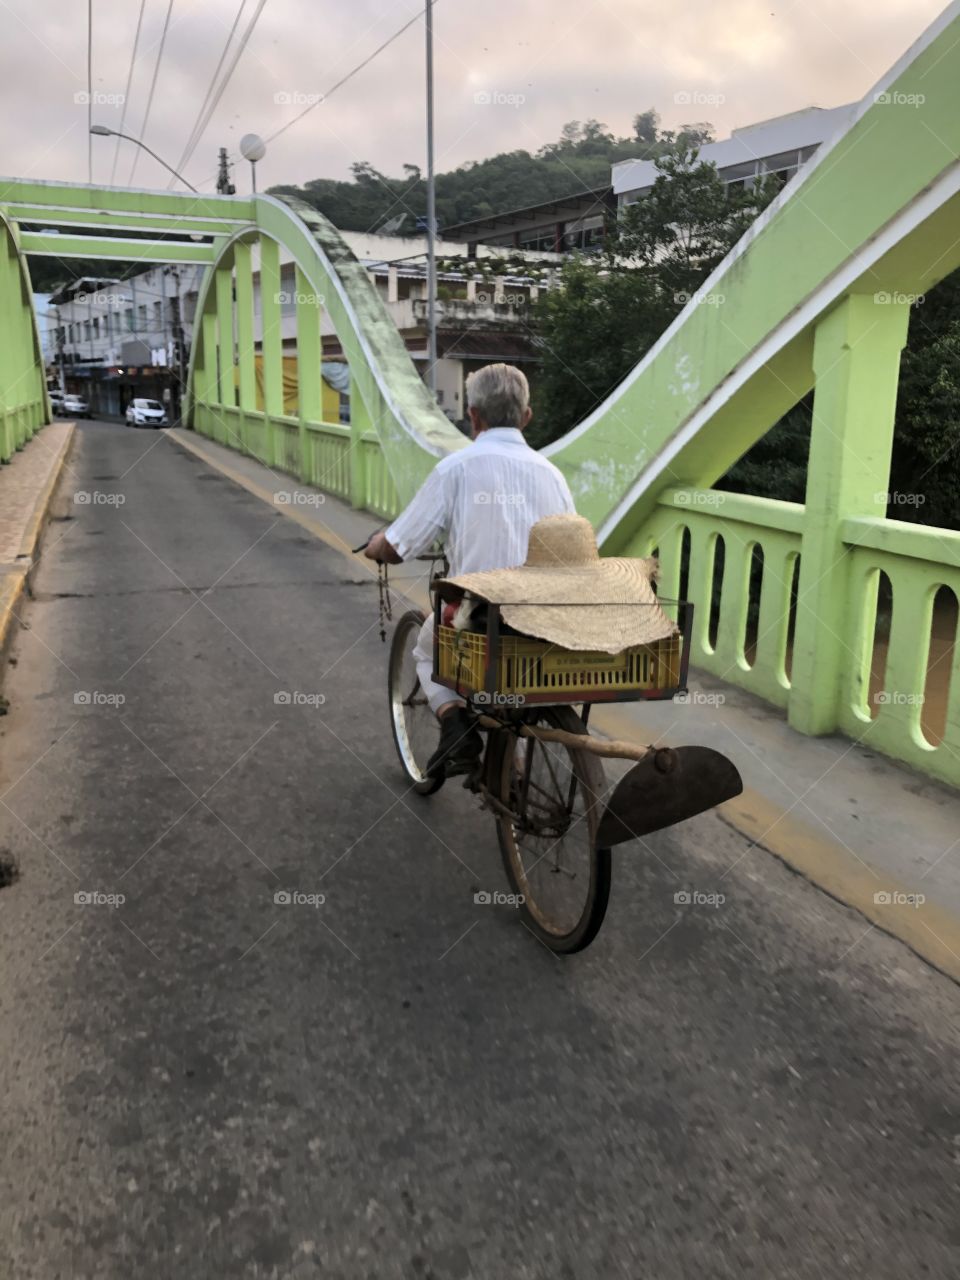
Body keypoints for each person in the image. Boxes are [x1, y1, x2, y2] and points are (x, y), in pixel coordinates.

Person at [364, 362, 574, 777]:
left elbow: (399, 545)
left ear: (473, 416)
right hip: (548, 617)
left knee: (426, 650)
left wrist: (377, 547)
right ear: (527, 417)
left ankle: (456, 727)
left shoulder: (456, 469)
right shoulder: (553, 476)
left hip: (482, 618)